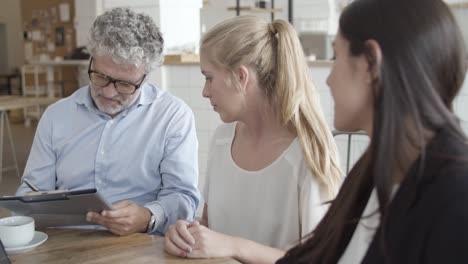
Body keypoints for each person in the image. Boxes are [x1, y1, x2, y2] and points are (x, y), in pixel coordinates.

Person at [277, 0, 468, 263]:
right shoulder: (374, 171)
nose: (329, 80)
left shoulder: (456, 197)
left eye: (336, 57)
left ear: (370, 62)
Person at [165, 16, 342, 263]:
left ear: (241, 77)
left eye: (209, 77)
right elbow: (208, 225)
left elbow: (318, 257)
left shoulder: (307, 152)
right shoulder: (222, 139)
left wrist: (235, 247)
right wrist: (186, 235)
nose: (205, 91)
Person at [16, 8, 200, 236]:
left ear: (145, 76)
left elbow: (183, 198)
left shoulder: (173, 116)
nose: (109, 93)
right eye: (101, 77)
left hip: (141, 245)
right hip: (67, 243)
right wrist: (30, 207)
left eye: (124, 84)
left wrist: (147, 217)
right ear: (91, 60)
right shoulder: (56, 116)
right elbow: (31, 192)